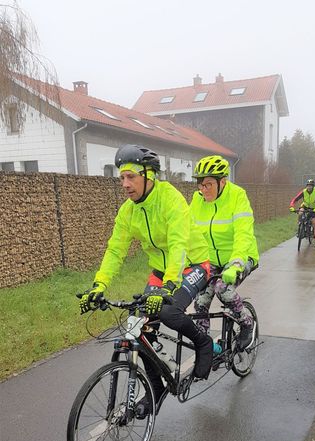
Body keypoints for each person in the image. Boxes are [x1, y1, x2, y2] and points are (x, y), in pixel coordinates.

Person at [79, 144, 214, 416]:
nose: (125, 184)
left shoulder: (170, 199)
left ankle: (202, 341)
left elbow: (178, 244)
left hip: (192, 264)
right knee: (140, 327)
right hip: (161, 271)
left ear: (149, 175)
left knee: (167, 311)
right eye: (121, 177)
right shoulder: (128, 211)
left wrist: (169, 285)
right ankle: (156, 387)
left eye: (131, 176)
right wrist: (99, 285)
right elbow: (115, 249)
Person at [188, 155, 259, 350]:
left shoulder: (237, 196)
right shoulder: (197, 200)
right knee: (200, 301)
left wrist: (236, 263)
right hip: (211, 260)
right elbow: (189, 234)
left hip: (242, 255)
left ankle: (246, 323)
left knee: (222, 289)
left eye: (208, 184)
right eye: (200, 185)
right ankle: (207, 347)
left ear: (222, 182)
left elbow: (243, 233)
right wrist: (186, 262)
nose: (203, 190)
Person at [289, 179, 315, 247]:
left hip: (314, 208)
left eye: (310, 186)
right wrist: (291, 206)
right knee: (300, 213)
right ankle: (300, 226)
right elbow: (295, 199)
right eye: (308, 186)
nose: (309, 187)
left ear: (313, 186)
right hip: (305, 206)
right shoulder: (304, 191)